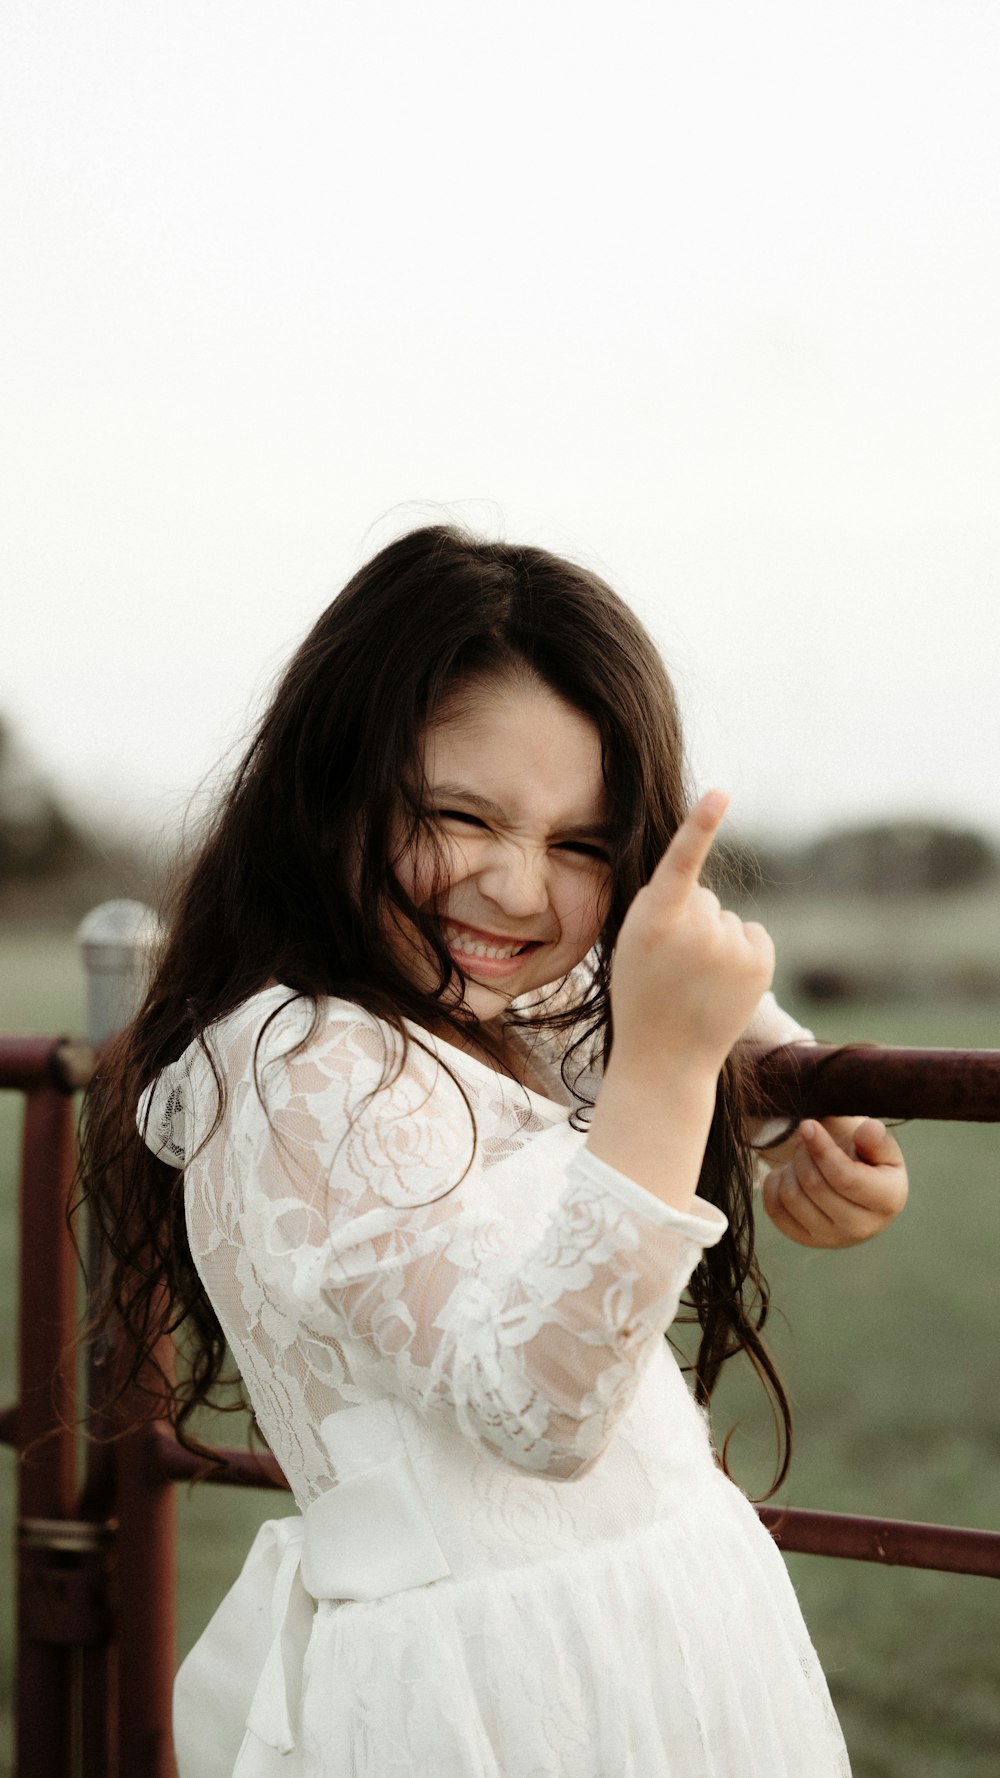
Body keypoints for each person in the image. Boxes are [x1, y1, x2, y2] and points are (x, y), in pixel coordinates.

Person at [78, 522, 908, 1778]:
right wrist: (672, 1073)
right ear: (329, 784)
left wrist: (791, 1111)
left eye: (581, 843)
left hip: (661, 1635)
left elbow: (624, 999)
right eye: (459, 814)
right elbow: (538, 1405)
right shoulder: (302, 1063)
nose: (521, 891)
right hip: (491, 1706)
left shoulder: (468, 1017)